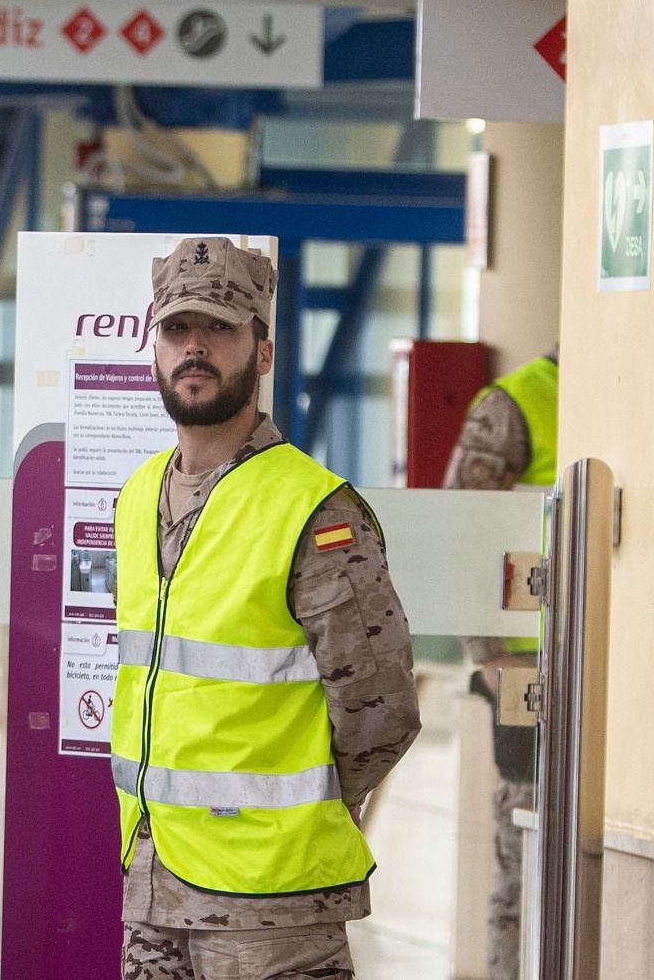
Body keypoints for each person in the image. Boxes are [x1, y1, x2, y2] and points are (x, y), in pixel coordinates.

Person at [113, 237, 421, 980]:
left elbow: (381, 709)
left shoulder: (314, 509)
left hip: (275, 910)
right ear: (154, 348)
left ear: (263, 352)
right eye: (178, 330)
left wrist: (304, 806)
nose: (195, 349)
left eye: (221, 329)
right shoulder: (135, 497)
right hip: (155, 885)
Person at [442, 347, 558, 980]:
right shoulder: (514, 405)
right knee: (522, 864)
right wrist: (493, 659)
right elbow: (464, 529)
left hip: (601, 667)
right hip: (528, 672)